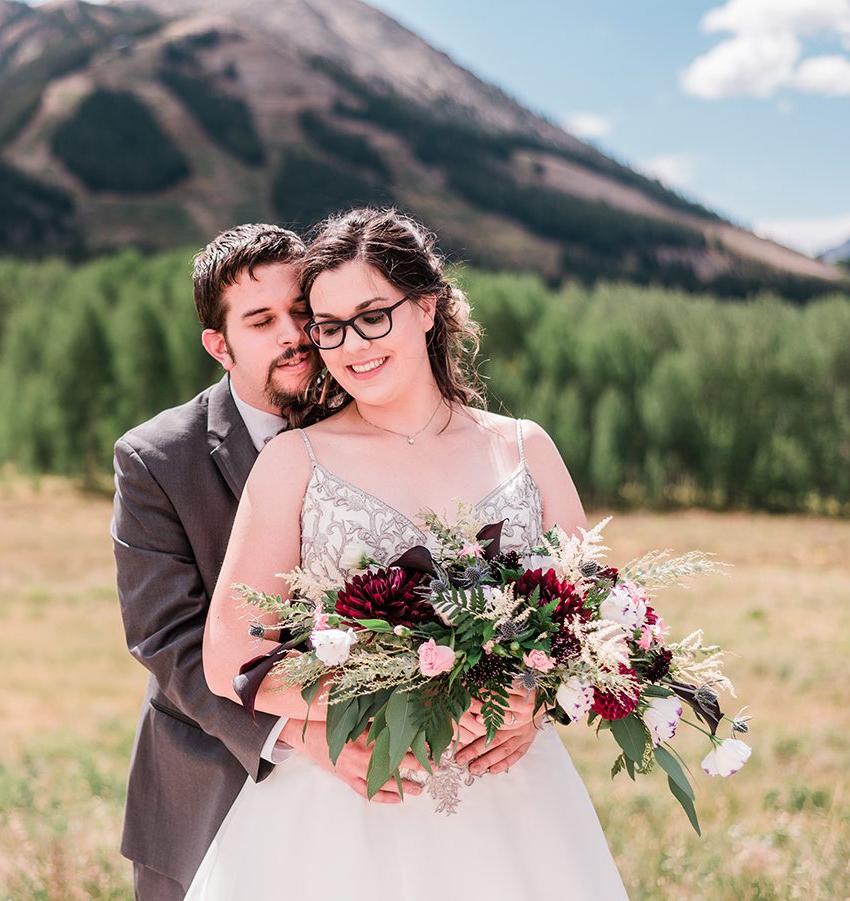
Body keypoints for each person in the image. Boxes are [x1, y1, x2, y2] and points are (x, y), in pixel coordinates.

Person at [195, 208, 628, 899]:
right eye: (329, 327)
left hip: (515, 804)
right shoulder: (292, 461)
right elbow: (228, 657)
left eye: (373, 316)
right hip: (349, 805)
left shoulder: (524, 447)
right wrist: (363, 705)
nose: (350, 346)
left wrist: (535, 701)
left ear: (427, 306)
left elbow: (603, 620)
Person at [112, 223, 541, 900]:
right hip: (213, 776)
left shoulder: (375, 399)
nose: (297, 335)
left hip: (430, 776)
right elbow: (168, 639)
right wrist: (304, 731)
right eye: (262, 321)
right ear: (218, 345)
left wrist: (523, 693)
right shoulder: (158, 458)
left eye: (303, 316)